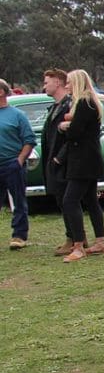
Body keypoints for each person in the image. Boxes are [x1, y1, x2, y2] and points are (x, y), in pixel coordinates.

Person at [57, 69, 104, 262]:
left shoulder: (85, 103)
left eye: (69, 82)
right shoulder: (87, 103)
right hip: (89, 160)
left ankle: (78, 245)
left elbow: (75, 133)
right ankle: (100, 241)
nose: (66, 86)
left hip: (83, 162)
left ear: (77, 83)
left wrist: (65, 127)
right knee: (91, 201)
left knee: (70, 201)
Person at [42, 68, 77, 255]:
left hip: (65, 161)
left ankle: (74, 238)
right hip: (54, 160)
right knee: (61, 200)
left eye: (47, 82)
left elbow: (72, 136)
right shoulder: (55, 106)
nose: (44, 86)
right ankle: (72, 235)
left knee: (68, 200)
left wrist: (59, 158)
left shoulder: (69, 105)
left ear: (57, 82)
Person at [0, 78, 36, 250]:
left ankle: (19, 235)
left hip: (12, 164)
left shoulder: (17, 115)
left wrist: (20, 160)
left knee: (18, 201)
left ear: (1, 92)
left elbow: (29, 140)